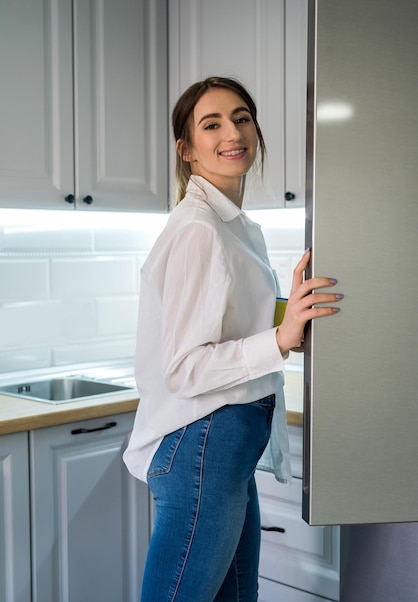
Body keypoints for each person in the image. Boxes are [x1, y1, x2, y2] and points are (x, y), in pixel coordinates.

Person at [123, 76, 343, 602]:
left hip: (225, 443)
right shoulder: (199, 228)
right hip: (203, 441)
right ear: (186, 149)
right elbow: (184, 368)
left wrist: (289, 328)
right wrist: (279, 339)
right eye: (212, 123)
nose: (232, 132)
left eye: (242, 118)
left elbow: (225, 327)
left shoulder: (235, 226)